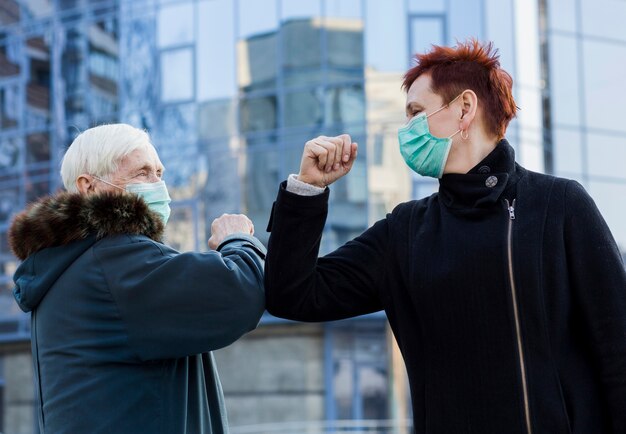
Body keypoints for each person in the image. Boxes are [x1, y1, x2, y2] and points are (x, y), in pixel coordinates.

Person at [264, 39, 626, 433]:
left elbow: (618, 349)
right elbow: (292, 294)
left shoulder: (558, 205)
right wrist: (307, 190)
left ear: (464, 109)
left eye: (416, 112)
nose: (407, 130)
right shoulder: (405, 232)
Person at [9, 124, 265, 434]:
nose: (159, 185)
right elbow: (242, 291)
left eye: (159, 173)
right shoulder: (115, 262)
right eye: (142, 173)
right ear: (88, 186)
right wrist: (236, 240)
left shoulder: (69, 264)